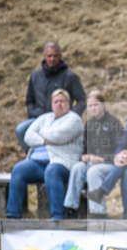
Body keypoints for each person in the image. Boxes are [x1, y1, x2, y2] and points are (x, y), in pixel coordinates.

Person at [6, 89, 84, 220]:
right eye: (56, 101)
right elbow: (28, 136)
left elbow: (59, 136)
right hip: (37, 162)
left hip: (61, 163)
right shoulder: (45, 118)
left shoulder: (74, 119)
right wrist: (44, 140)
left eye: (62, 101)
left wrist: (40, 133)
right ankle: (13, 215)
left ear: (69, 103)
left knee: (52, 171)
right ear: (52, 104)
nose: (59, 104)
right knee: (18, 169)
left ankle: (57, 217)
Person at [62, 90, 123, 219]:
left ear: (103, 104)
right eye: (90, 106)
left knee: (93, 172)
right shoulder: (89, 124)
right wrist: (84, 156)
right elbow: (85, 149)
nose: (93, 108)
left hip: (110, 164)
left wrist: (102, 159)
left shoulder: (114, 122)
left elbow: (120, 150)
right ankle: (71, 208)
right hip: (92, 163)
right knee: (77, 168)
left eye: (96, 104)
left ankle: (98, 212)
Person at [17, 42, 87, 151]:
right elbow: (29, 99)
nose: (52, 59)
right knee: (21, 130)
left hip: (61, 121)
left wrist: (70, 116)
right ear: (44, 57)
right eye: (49, 56)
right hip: (38, 119)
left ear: (60, 57)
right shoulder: (36, 76)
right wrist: (33, 113)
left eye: (55, 56)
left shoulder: (70, 77)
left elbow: (82, 100)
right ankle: (32, 155)